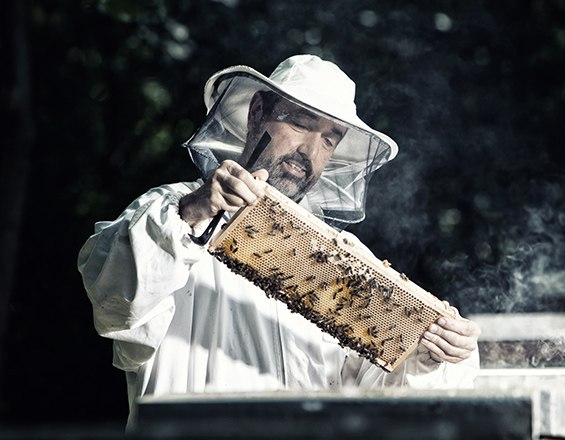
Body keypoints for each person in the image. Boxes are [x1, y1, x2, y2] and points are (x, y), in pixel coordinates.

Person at [77, 54, 481, 426]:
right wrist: (195, 211)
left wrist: (432, 353)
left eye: (329, 138)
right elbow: (115, 302)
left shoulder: (343, 262)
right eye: (301, 123)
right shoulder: (170, 211)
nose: (309, 150)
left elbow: (382, 397)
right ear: (257, 114)